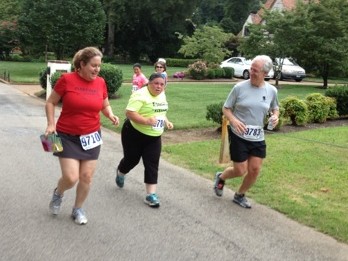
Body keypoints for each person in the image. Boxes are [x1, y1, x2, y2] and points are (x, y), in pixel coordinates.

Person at [45, 46, 119, 224]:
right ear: (82, 64)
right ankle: (58, 193)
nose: (97, 69)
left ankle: (77, 209)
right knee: (71, 178)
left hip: (91, 136)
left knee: (86, 177)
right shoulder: (66, 80)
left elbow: (104, 104)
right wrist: (50, 124)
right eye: (93, 65)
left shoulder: (100, 82)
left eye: (99, 66)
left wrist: (110, 114)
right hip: (66, 135)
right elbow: (50, 102)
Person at [214, 55, 279, 209]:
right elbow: (226, 108)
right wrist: (234, 121)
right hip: (239, 135)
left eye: (255, 70)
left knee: (255, 169)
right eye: (251, 68)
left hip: (257, 136)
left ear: (265, 73)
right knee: (240, 170)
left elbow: (275, 108)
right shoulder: (239, 88)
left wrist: (275, 116)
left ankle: (240, 195)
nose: (251, 72)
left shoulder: (271, 90)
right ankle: (221, 177)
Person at [115, 73, 174, 208]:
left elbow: (160, 111)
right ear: (149, 83)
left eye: (162, 84)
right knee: (132, 160)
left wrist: (166, 121)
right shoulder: (140, 95)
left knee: (152, 163)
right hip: (134, 133)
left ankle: (150, 195)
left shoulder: (162, 94)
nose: (159, 86)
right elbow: (129, 113)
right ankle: (121, 172)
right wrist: (146, 121)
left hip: (154, 136)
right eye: (156, 83)